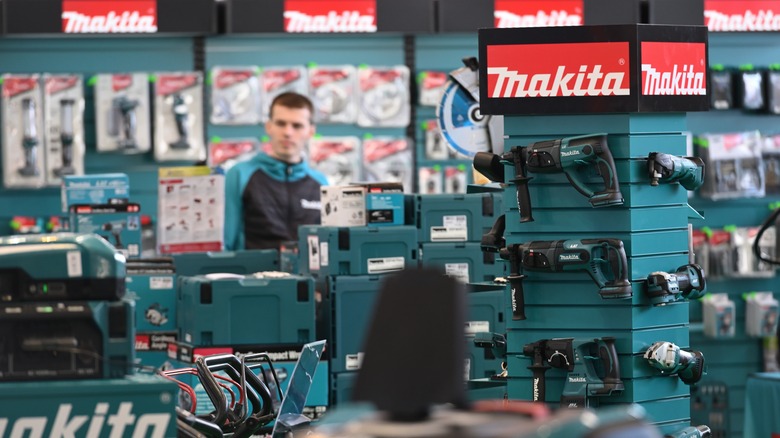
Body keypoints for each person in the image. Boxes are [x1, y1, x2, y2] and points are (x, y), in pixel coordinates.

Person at [224, 92, 327, 250]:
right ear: (269, 126)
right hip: (252, 273)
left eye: (297, 126)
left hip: (309, 275)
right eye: (281, 123)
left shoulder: (321, 183)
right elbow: (226, 243)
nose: (287, 132)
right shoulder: (239, 175)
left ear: (310, 131)